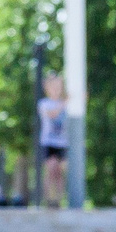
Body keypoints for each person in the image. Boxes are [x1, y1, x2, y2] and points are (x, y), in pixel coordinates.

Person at [36, 73, 69, 207]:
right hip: (49, 142)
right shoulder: (44, 103)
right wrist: (65, 103)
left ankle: (59, 201)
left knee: (60, 173)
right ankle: (49, 200)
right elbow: (53, 114)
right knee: (50, 170)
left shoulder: (66, 103)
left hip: (63, 143)